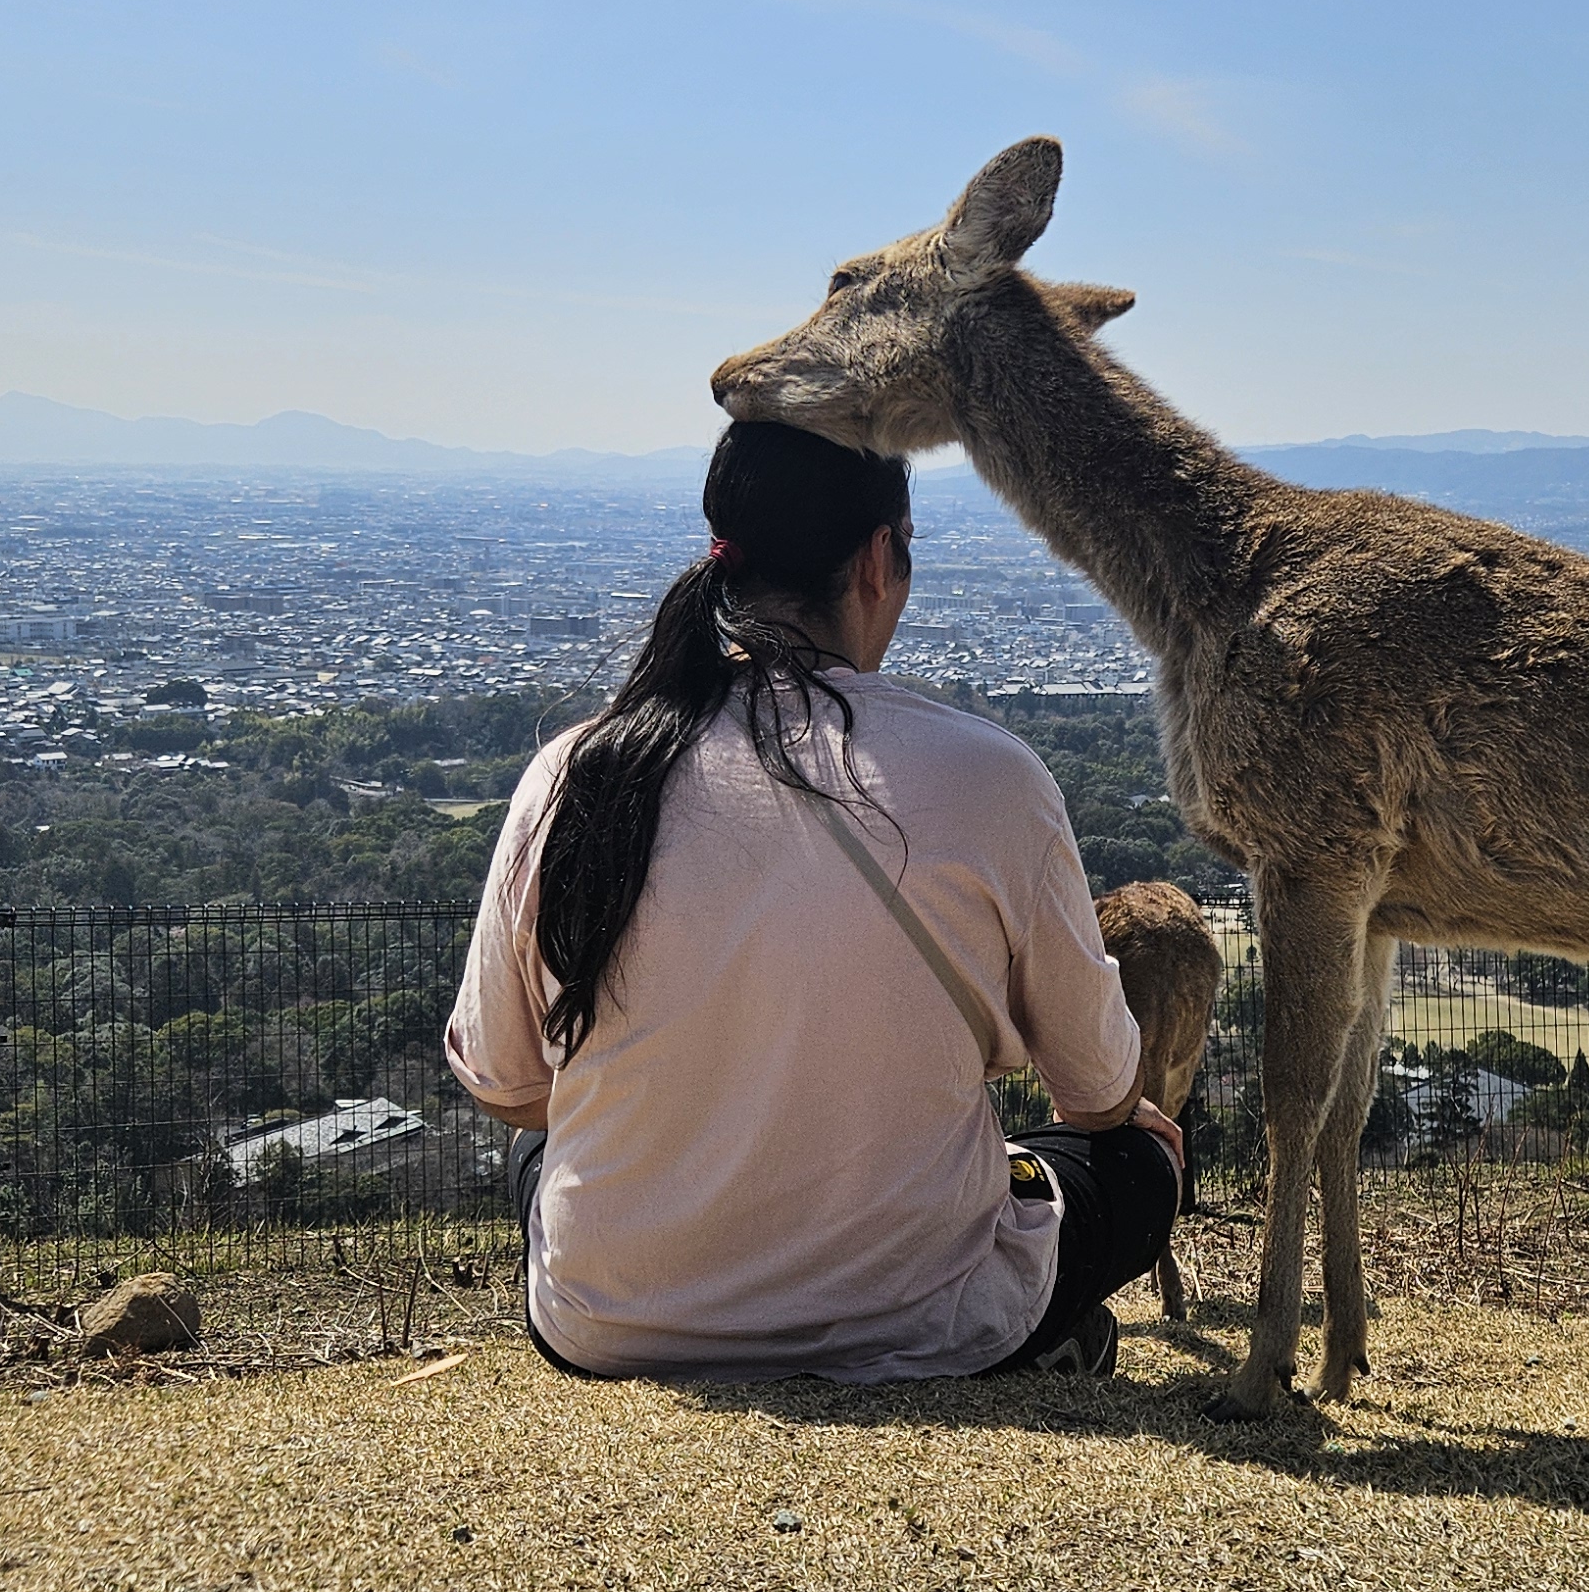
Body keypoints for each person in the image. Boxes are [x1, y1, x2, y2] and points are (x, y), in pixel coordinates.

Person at [444, 419, 1182, 1381]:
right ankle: (1041, 1330)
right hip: (922, 1311)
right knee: (1140, 1163)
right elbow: (1098, 1094)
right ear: (879, 558)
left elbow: (510, 1091)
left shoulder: (576, 775)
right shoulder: (990, 779)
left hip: (611, 1317)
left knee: (539, 1162)